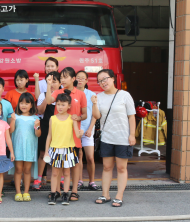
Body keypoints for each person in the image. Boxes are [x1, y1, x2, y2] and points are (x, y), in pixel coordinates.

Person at [92, 69, 136, 207]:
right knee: (106, 167)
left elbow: (131, 116)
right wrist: (94, 103)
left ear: (112, 78)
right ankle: (105, 194)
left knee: (122, 168)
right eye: (100, 81)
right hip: (107, 137)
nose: (102, 83)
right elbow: (97, 116)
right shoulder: (99, 97)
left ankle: (119, 195)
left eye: (105, 79)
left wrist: (132, 135)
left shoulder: (124, 95)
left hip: (123, 137)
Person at [45, 67, 87, 202]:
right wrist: (49, 84)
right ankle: (56, 191)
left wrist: (78, 118)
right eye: (61, 77)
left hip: (74, 135)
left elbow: (85, 114)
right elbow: (48, 101)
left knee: (73, 165)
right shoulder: (58, 92)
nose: (62, 80)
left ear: (73, 79)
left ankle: (73, 191)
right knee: (58, 167)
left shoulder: (80, 94)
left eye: (65, 77)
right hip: (59, 137)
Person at [9, 93, 41, 201]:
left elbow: (38, 134)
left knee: (27, 170)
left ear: (32, 105)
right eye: (21, 103)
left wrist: (37, 126)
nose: (24, 105)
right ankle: (18, 192)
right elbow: (11, 130)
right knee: (18, 169)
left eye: (27, 103)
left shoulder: (35, 118)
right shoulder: (15, 116)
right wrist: (12, 120)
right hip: (17, 147)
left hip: (29, 148)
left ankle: (26, 192)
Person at [34, 71, 61, 189]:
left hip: (60, 128)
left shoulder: (63, 95)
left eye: (54, 81)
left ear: (60, 83)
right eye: (49, 82)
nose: (52, 83)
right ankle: (39, 179)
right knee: (42, 153)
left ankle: (60, 180)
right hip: (45, 126)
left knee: (60, 154)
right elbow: (40, 111)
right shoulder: (42, 95)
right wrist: (48, 95)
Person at [75, 70, 98, 190]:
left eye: (82, 78)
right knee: (79, 156)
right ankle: (79, 181)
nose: (80, 80)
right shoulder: (72, 94)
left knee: (90, 157)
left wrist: (90, 129)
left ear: (87, 80)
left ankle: (92, 181)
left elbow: (95, 114)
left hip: (88, 130)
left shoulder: (92, 94)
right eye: (78, 77)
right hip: (76, 130)